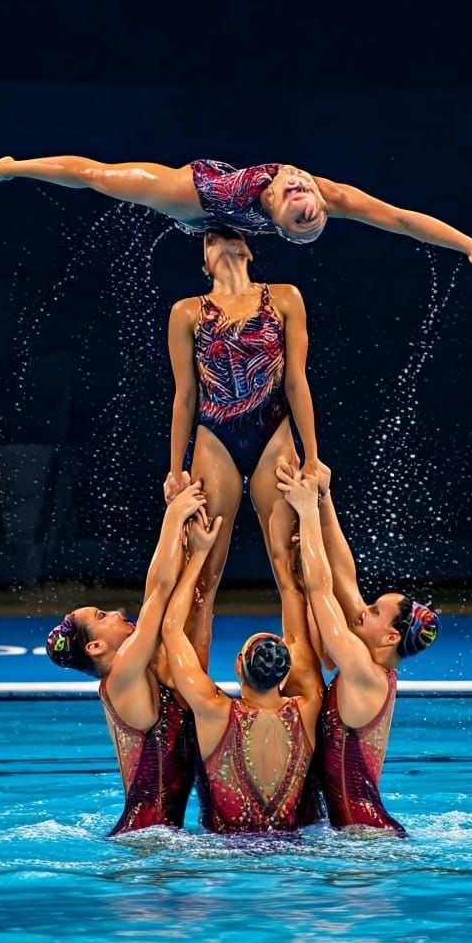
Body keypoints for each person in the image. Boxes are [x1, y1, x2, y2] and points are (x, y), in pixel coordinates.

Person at [163, 225, 320, 674]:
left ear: (249, 249)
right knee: (203, 573)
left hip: (273, 431)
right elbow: (185, 396)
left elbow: (296, 382)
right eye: (210, 238)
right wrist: (175, 469)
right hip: (216, 435)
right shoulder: (187, 312)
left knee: (290, 566)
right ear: (204, 260)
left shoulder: (286, 298)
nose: (221, 240)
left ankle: (303, 692)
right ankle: (191, 695)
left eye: (230, 235)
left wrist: (312, 456)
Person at [0, 153, 472, 269]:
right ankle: (13, 164)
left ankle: (11, 167)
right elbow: (400, 219)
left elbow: (399, 222)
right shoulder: (330, 192)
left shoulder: (207, 196)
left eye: (299, 212)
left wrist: (471, 250)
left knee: (97, 178)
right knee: (95, 176)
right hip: (222, 200)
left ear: (278, 213)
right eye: (314, 208)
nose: (306, 197)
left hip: (202, 198)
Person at [45, 477, 217, 836]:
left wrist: (190, 547)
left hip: (154, 840)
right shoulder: (121, 676)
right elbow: (157, 593)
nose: (117, 613)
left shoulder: (143, 673)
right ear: (95, 647)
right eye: (102, 616)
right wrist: (173, 518)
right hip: (144, 843)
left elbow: (177, 606)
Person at [276, 465, 439, 834]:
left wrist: (306, 514)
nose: (364, 610)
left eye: (376, 611)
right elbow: (345, 580)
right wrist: (323, 498)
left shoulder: (364, 674)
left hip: (365, 841)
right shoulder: (371, 665)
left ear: (391, 637)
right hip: (358, 836)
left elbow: (321, 590)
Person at [160, 531, 325, 833]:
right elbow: (299, 637)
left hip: (223, 857)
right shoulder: (310, 706)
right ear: (286, 675)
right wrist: (289, 575)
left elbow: (171, 630)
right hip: (291, 857)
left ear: (238, 665)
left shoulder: (214, 709)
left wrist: (197, 555)